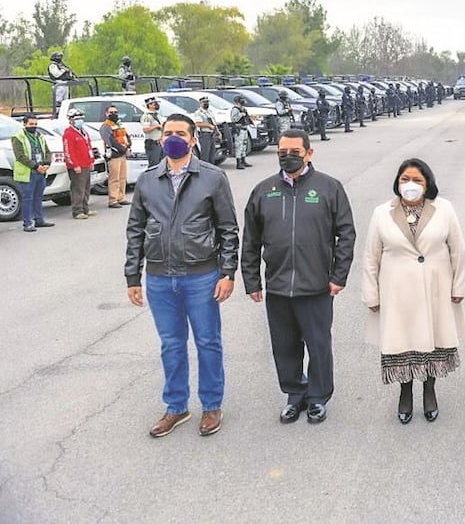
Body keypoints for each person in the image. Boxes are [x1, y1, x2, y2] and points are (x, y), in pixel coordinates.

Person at [125, 113, 239, 438]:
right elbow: (135, 230)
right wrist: (133, 277)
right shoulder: (148, 180)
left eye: (180, 133)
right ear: (160, 139)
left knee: (207, 341)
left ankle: (212, 404)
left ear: (192, 139)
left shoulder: (212, 178)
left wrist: (227, 272)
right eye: (168, 132)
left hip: (201, 275)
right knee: (171, 344)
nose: (173, 137)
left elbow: (228, 228)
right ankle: (176, 407)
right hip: (160, 278)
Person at [242, 129, 356, 426]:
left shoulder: (329, 188)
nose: (288, 157)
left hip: (316, 285)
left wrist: (338, 276)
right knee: (285, 346)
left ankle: (317, 398)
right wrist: (252, 281)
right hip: (278, 286)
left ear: (309, 153)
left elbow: (346, 235)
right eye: (282, 152)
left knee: (318, 346)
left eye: (294, 152)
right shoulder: (264, 191)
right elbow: (251, 240)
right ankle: (294, 394)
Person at [362, 158, 465, 424]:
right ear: (397, 183)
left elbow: (458, 249)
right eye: (405, 180)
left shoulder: (443, 209)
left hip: (436, 287)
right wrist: (371, 294)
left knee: (433, 340)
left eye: (417, 180)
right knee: (402, 342)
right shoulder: (381, 212)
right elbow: (370, 256)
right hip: (397, 292)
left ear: (427, 183)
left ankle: (429, 390)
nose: (410, 185)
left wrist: (459, 286)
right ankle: (405, 391)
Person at [11, 115, 55, 232]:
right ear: (24, 124)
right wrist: (36, 166)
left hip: (40, 172)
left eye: (35, 124)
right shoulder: (18, 137)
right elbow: (20, 156)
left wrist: (46, 163)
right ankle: (27, 223)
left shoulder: (40, 136)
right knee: (27, 199)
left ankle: (39, 219)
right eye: (31, 124)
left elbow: (47, 151)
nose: (34, 126)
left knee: (39, 197)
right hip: (28, 173)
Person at [62, 108, 96, 220]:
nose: (79, 121)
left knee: (86, 188)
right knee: (78, 189)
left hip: (86, 164)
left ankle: (85, 208)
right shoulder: (69, 134)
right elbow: (68, 151)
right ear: (71, 120)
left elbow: (89, 147)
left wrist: (91, 161)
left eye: (81, 118)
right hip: (77, 166)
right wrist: (74, 165)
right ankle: (77, 210)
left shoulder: (83, 132)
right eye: (77, 119)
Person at [100, 105, 131, 208]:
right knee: (114, 178)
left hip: (122, 154)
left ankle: (121, 197)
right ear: (106, 114)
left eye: (115, 112)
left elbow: (126, 136)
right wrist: (124, 149)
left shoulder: (119, 124)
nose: (113, 114)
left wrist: (129, 146)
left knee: (122, 177)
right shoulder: (106, 126)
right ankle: (113, 200)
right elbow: (111, 142)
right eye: (111, 112)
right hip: (114, 155)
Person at [193, 96, 219, 164]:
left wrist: (218, 132)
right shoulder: (198, 113)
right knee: (205, 154)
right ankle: (204, 170)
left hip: (212, 134)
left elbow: (214, 123)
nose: (206, 103)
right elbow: (198, 123)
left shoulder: (210, 111)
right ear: (200, 103)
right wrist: (209, 126)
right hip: (204, 134)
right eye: (204, 102)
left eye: (207, 102)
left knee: (212, 154)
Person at [230, 95, 253, 169]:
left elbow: (247, 118)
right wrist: (240, 115)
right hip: (238, 130)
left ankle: (243, 160)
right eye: (241, 99)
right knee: (239, 146)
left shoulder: (243, 109)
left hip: (244, 128)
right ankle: (238, 162)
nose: (243, 101)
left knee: (244, 145)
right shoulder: (235, 109)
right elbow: (233, 119)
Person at [141, 96, 164, 167]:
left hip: (160, 143)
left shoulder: (158, 115)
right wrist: (156, 126)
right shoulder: (146, 116)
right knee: (154, 165)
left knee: (162, 165)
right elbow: (146, 130)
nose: (156, 105)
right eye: (154, 103)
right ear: (150, 105)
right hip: (152, 143)